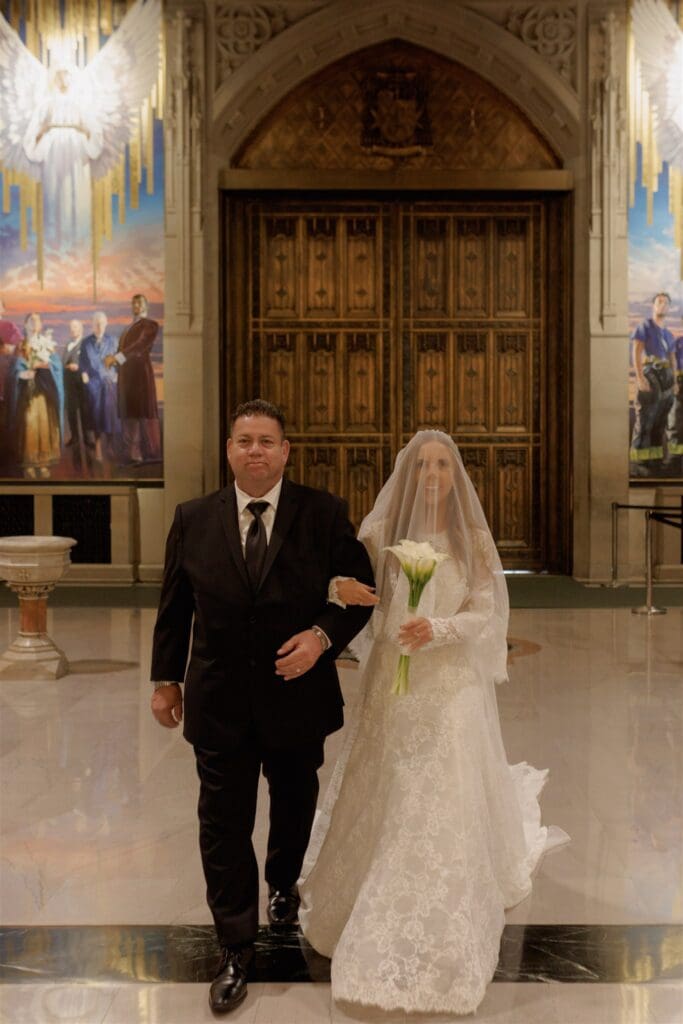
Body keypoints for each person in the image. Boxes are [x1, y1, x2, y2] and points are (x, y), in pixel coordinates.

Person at [298, 430, 568, 1017]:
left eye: (443, 465)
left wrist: (439, 631)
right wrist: (334, 587)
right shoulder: (380, 534)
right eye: (423, 464)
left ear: (455, 475)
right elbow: (338, 579)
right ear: (409, 472)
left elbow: (487, 610)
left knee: (439, 790)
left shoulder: (470, 539)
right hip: (393, 686)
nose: (433, 474)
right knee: (389, 786)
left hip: (449, 689)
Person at [149, 399, 374, 1014]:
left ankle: (283, 884)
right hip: (219, 700)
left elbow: (360, 595)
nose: (255, 450)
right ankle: (234, 946)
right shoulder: (193, 518)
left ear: (285, 451)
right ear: (228, 450)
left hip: (297, 697)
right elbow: (174, 609)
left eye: (266, 441)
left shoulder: (322, 514)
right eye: (244, 440)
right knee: (221, 823)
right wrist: (165, 680)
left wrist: (322, 637)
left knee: (295, 803)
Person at [105, 293, 161, 465]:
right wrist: (114, 363)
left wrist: (117, 358)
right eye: (134, 302)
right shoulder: (128, 328)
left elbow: (140, 346)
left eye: (140, 302)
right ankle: (132, 453)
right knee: (129, 414)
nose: (136, 305)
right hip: (126, 377)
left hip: (140, 377)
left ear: (146, 305)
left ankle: (146, 453)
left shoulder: (150, 325)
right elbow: (126, 349)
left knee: (142, 413)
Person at [7, 313, 64, 479]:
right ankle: (29, 464)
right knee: (29, 424)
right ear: (25, 325)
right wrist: (22, 374)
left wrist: (44, 364)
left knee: (44, 425)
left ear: (41, 325)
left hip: (44, 391)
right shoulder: (21, 346)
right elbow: (14, 371)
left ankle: (44, 463)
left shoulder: (47, 344)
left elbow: (56, 366)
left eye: (37, 320)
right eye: (31, 320)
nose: (34, 322)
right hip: (27, 393)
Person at [630, 292, 675, 477]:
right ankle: (638, 464)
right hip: (650, 377)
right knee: (645, 423)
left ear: (669, 308)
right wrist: (640, 378)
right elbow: (637, 352)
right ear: (653, 306)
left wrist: (675, 383)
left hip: (666, 381)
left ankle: (654, 461)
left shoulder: (668, 334)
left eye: (666, 303)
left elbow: (672, 358)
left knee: (659, 424)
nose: (662, 305)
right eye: (659, 302)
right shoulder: (645, 326)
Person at [80, 311, 120, 463]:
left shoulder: (113, 340)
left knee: (110, 415)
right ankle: (97, 446)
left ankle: (110, 446)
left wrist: (118, 373)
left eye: (102, 323)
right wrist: (84, 374)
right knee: (96, 415)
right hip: (94, 384)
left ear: (106, 323)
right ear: (92, 324)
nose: (99, 326)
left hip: (109, 383)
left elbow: (121, 358)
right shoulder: (85, 343)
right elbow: (83, 362)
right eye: (96, 323)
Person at [61, 319, 92, 467]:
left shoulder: (86, 344)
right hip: (69, 382)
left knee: (85, 411)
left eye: (75, 327)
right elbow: (63, 363)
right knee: (72, 411)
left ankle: (87, 438)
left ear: (81, 329)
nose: (72, 330)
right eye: (71, 327)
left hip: (82, 381)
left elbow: (90, 362)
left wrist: (78, 366)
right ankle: (74, 437)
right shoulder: (68, 345)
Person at [0, 297, 22, 468]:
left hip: (6, 378)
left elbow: (19, 348)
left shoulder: (10, 327)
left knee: (8, 421)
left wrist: (10, 349)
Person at [665, 324, 683, 476]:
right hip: (679, 384)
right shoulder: (677, 343)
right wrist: (674, 383)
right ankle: (674, 460)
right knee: (674, 422)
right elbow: (671, 364)